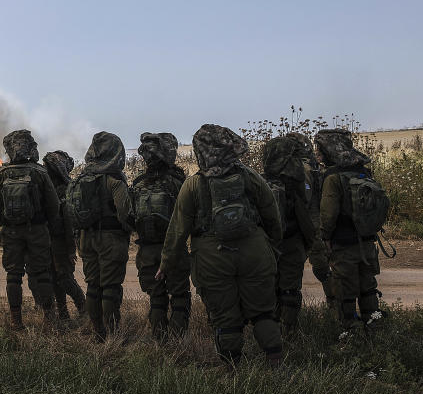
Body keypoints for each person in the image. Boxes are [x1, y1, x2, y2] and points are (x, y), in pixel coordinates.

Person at [159, 125, 283, 367]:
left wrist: (166, 263)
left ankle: (232, 371)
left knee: (225, 318)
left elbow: (178, 229)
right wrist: (272, 247)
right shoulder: (250, 176)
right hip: (254, 250)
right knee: (263, 311)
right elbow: (272, 215)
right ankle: (276, 365)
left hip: (211, 256)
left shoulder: (192, 185)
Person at [315, 128, 387, 336]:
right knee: (368, 288)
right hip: (367, 241)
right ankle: (375, 331)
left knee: (345, 293)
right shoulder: (364, 171)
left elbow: (328, 215)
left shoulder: (333, 178)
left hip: (343, 245)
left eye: (320, 149)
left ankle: (351, 335)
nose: (318, 153)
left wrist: (325, 238)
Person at [0, 129, 62, 329]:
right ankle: (49, 317)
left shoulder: (2, 173)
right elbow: (53, 205)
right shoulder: (39, 172)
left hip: (11, 232)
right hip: (37, 230)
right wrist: (52, 228)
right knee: (42, 274)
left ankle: (16, 320)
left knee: (13, 276)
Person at [68, 132, 132, 340]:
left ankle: (97, 332)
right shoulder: (114, 180)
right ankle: (113, 334)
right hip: (111, 239)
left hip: (86, 238)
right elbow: (125, 213)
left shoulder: (82, 179)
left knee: (93, 286)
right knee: (111, 288)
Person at [261, 136, 328, 334]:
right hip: (293, 241)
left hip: (270, 244)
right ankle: (288, 332)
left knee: (271, 288)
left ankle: (272, 331)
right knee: (289, 290)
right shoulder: (299, 178)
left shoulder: (262, 180)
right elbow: (308, 211)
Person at [130, 132, 190, 336]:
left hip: (146, 250)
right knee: (180, 295)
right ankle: (178, 340)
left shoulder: (138, 183)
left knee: (156, 297)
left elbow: (129, 216)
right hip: (174, 249)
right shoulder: (178, 182)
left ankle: (159, 339)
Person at [287, 131, 334, 309]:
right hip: (314, 225)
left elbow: (304, 201)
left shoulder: (303, 169)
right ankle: (335, 304)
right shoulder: (313, 166)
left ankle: (335, 304)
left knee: (320, 268)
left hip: (309, 227)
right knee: (322, 267)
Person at [42, 150, 85, 320]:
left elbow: (68, 221)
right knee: (53, 278)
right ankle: (63, 313)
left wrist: (70, 248)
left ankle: (83, 308)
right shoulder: (45, 187)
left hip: (60, 240)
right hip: (47, 239)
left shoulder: (66, 189)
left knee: (64, 277)